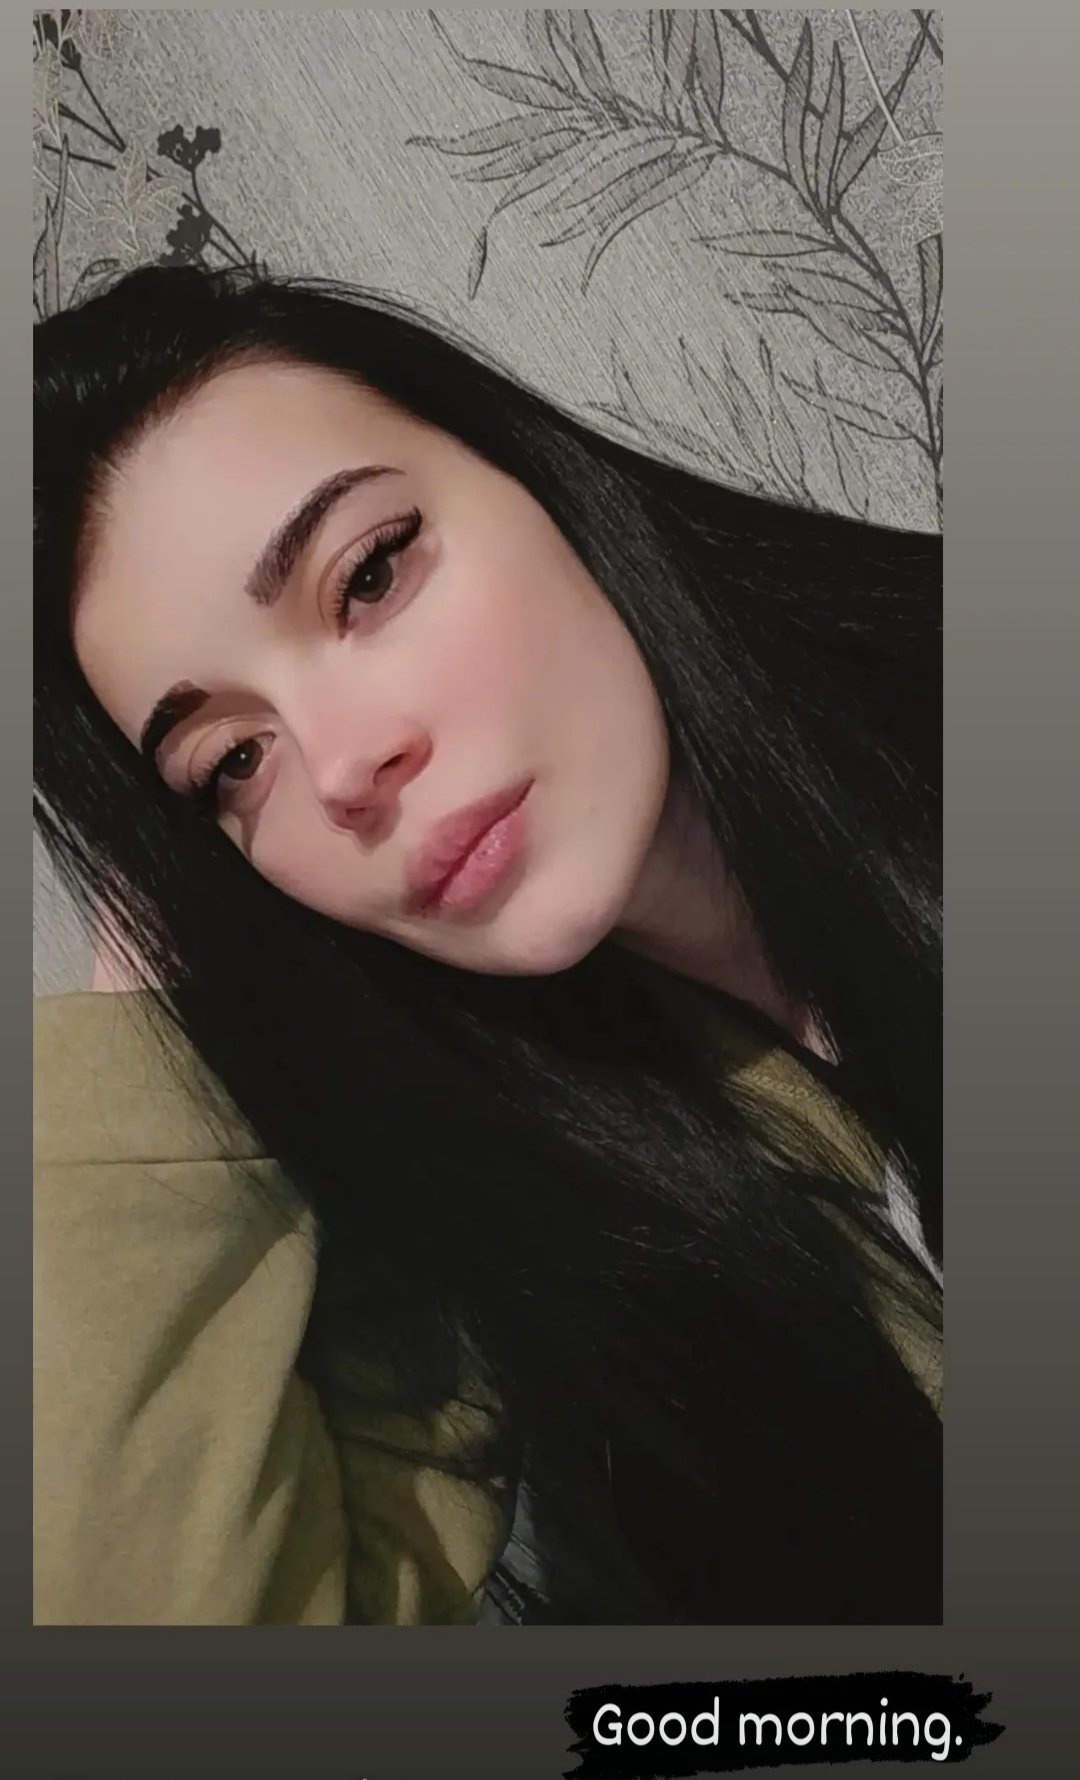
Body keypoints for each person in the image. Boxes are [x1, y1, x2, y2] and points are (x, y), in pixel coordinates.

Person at [33, 263, 942, 1626]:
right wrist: (140, 1076)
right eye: (232, 762)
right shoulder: (486, 1257)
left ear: (535, 479)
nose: (343, 767)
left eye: (369, 575)